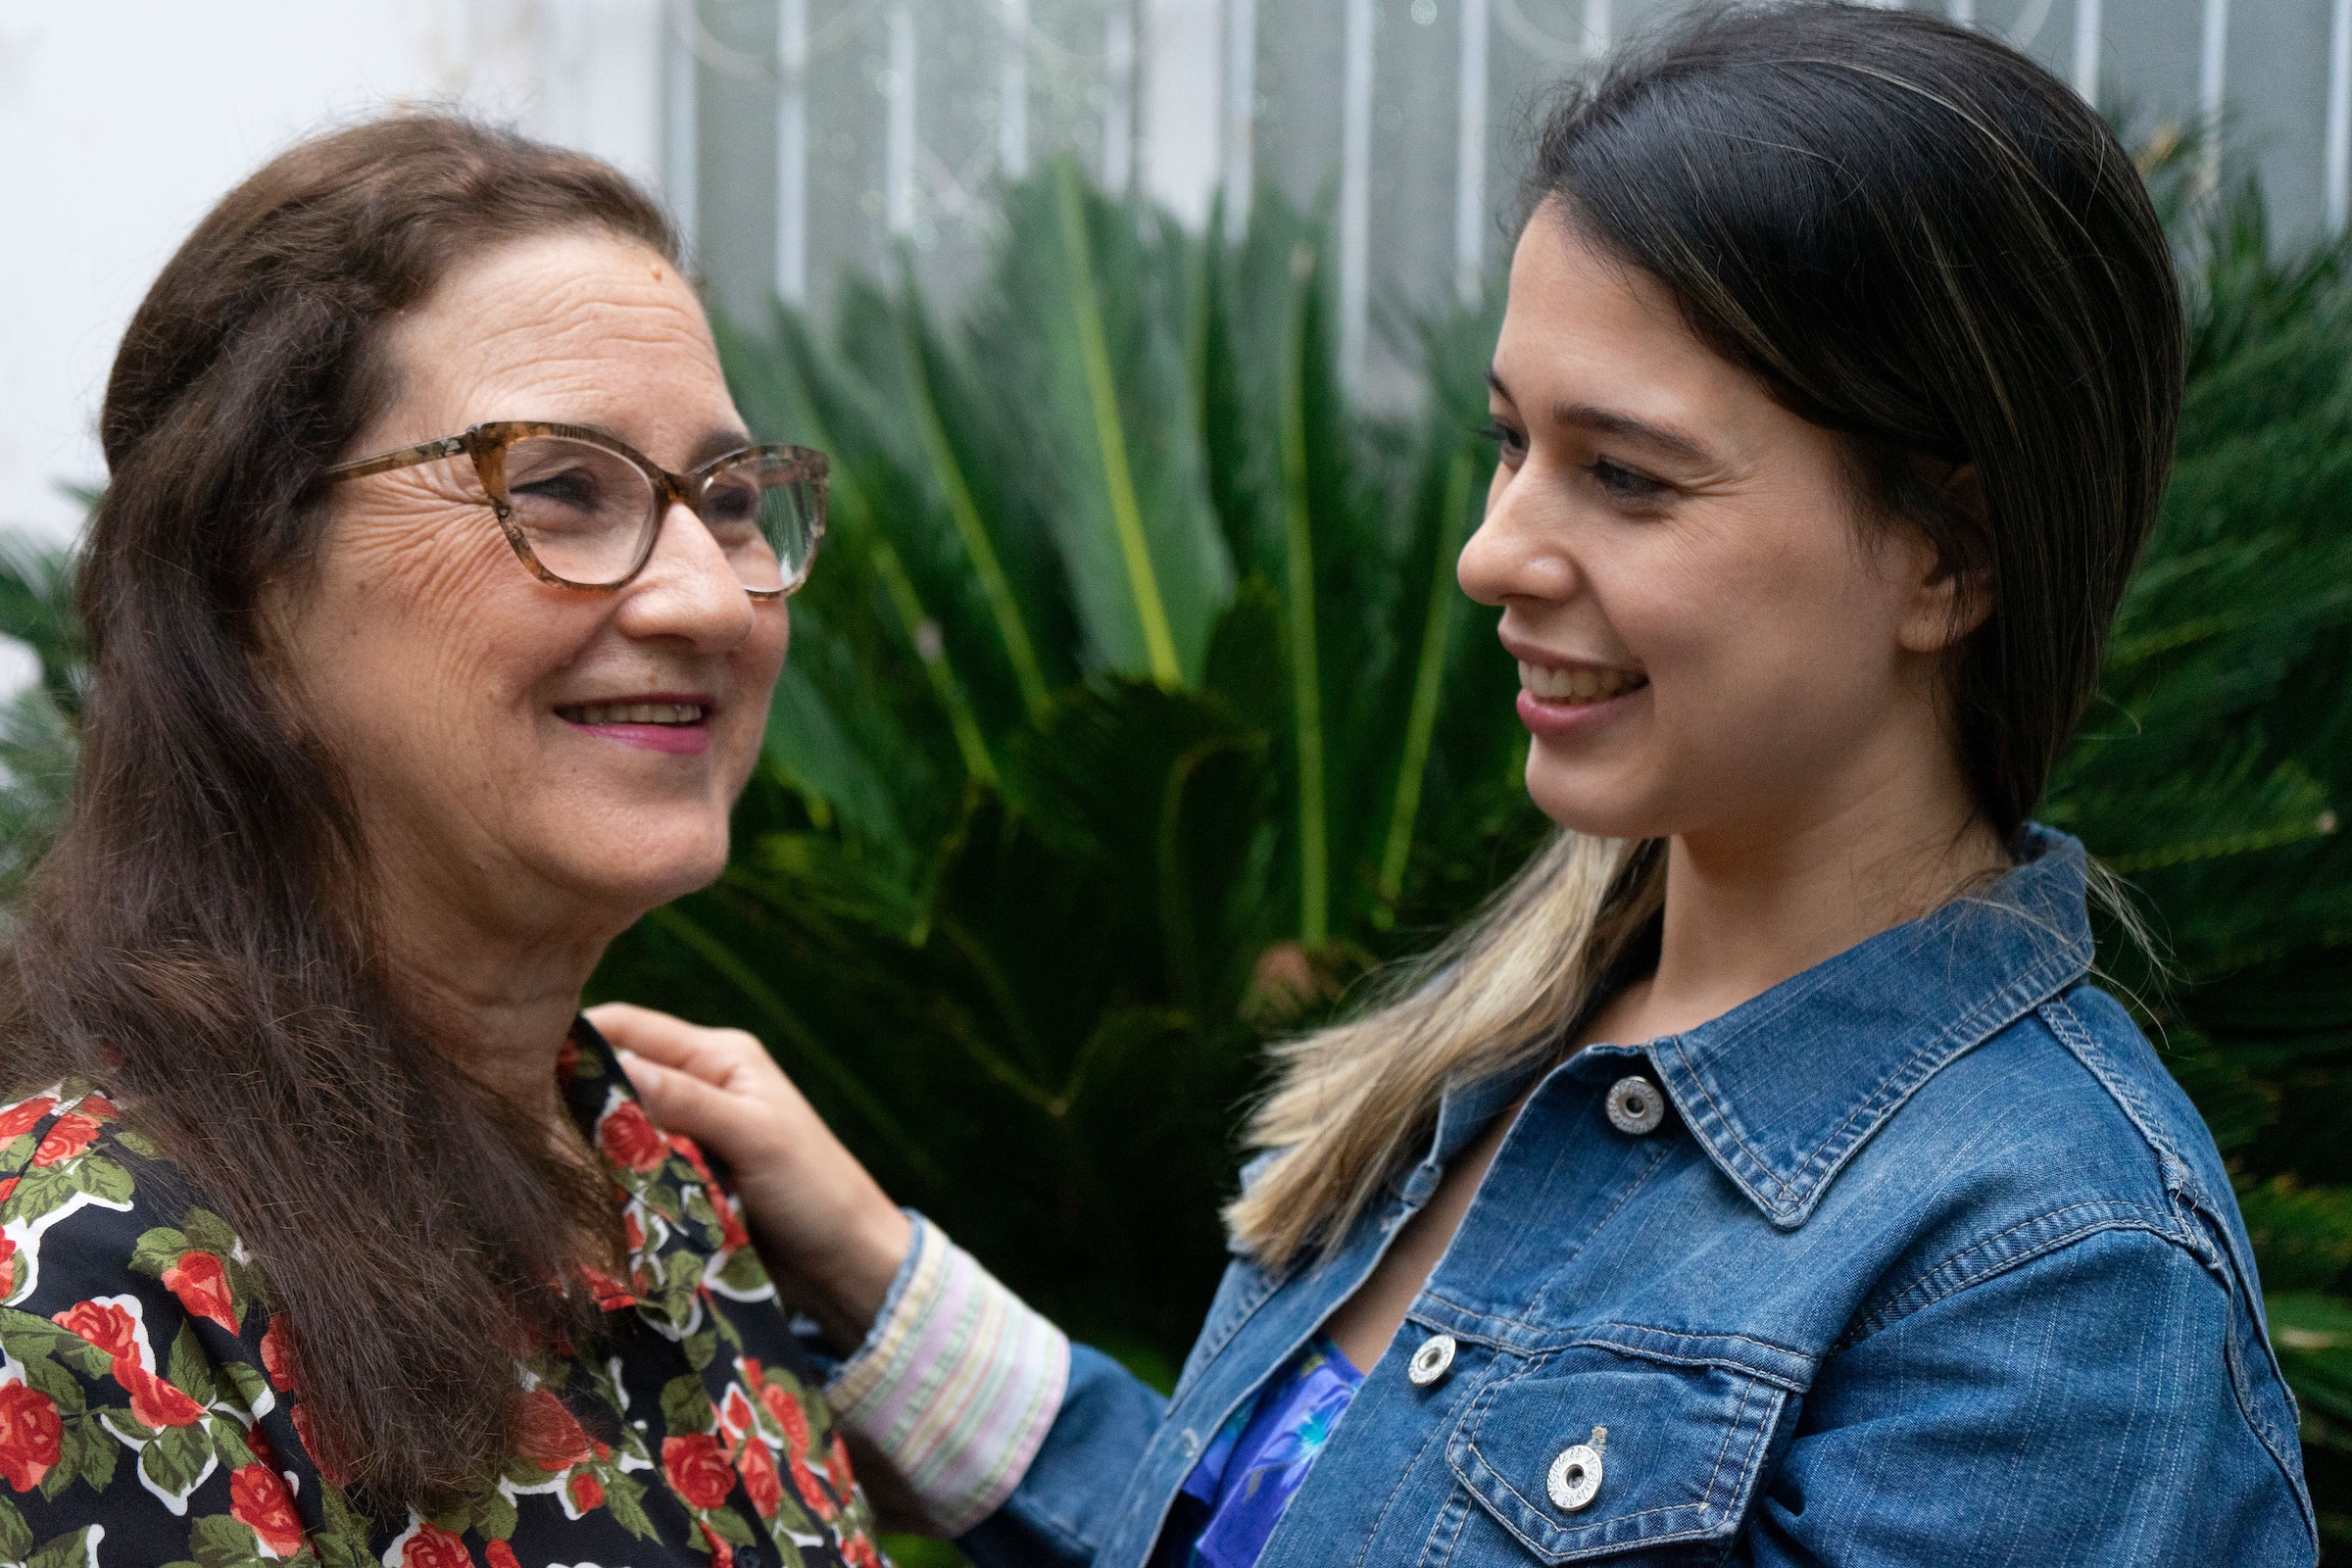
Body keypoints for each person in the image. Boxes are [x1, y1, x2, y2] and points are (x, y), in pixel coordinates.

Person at [600, 7, 2318, 1565]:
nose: (1495, 552)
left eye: (1626, 478)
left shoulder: (2054, 1281)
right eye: (1510, 443)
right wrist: (876, 1270)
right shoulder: (1506, 1051)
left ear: (1949, 557)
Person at [0, 115, 897, 1567]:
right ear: (248, 582)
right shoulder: (84, 1293)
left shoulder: (658, 1176)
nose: (708, 601)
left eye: (729, 503)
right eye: (560, 487)